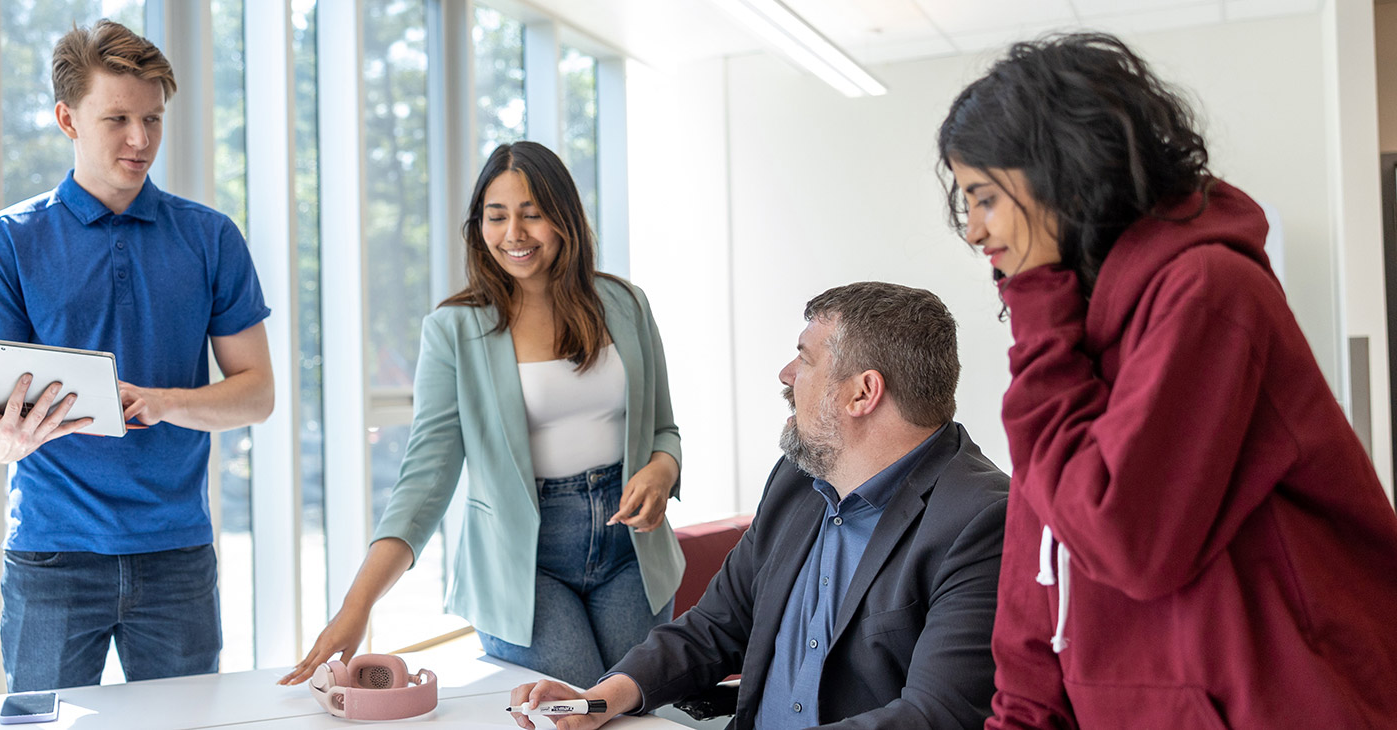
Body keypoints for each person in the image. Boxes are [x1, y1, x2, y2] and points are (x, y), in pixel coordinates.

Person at [940, 32, 1397, 728]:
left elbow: (1126, 540)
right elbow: (1036, 599)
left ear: (1055, 170)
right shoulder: (1065, 339)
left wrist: (1036, 309)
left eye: (984, 196)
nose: (973, 231)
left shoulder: (1210, 292)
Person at [509, 282, 1009, 730]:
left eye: (806, 359)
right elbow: (716, 624)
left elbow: (936, 715)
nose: (787, 374)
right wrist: (599, 701)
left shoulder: (983, 520)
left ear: (863, 393)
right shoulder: (798, 478)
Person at [279, 140, 684, 690]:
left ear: (564, 218)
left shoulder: (626, 304)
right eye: (497, 217)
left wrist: (661, 470)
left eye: (532, 214)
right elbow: (424, 483)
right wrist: (358, 606)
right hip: (522, 567)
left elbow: (663, 428)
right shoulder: (455, 330)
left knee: (636, 706)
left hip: (630, 551)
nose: (513, 234)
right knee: (571, 708)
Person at [0, 19, 274, 691]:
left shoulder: (212, 239)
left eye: (153, 119)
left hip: (178, 554)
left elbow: (256, 393)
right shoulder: (7, 243)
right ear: (67, 118)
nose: (141, 140)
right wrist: (1, 438)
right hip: (51, 553)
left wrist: (161, 403)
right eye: (118, 119)